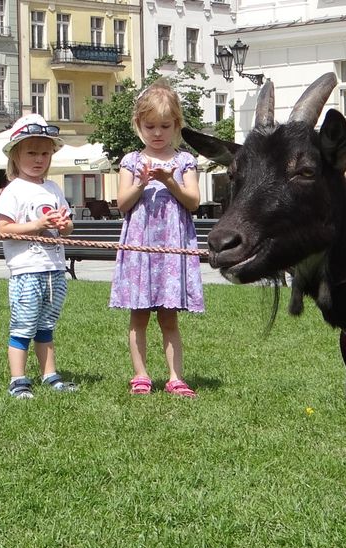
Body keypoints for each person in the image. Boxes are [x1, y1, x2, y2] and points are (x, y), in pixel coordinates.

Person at [109, 78, 203, 397]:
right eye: (150, 126)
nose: (158, 133)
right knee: (138, 316)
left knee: (169, 317)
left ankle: (176, 377)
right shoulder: (131, 161)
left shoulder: (184, 161)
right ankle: (141, 375)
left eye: (165, 126)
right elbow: (122, 203)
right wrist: (141, 182)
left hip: (171, 250)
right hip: (140, 248)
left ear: (176, 125)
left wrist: (170, 182)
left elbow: (193, 201)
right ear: (139, 125)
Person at [0, 114, 77, 400]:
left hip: (54, 269)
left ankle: (49, 374)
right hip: (26, 271)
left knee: (46, 326)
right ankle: (18, 379)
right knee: (23, 325)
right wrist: (37, 226)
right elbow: (4, 229)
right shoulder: (12, 191)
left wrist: (64, 226)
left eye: (44, 153)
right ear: (15, 156)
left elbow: (67, 227)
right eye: (31, 152)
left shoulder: (53, 189)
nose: (38, 158)